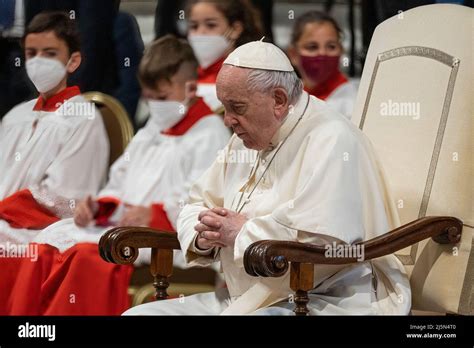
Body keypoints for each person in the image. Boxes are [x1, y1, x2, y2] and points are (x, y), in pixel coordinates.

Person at [124, 40, 411, 315]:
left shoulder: (331, 139)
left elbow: (324, 245)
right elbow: (195, 203)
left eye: (237, 107)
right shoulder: (244, 140)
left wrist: (241, 233)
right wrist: (205, 236)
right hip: (252, 296)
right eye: (225, 107)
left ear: (278, 99)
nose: (227, 120)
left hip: (322, 299)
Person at [8, 35, 231, 315]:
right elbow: (118, 183)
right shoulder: (151, 130)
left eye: (162, 97)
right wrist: (100, 207)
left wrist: (153, 216)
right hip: (125, 232)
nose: (154, 106)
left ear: (190, 88)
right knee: (42, 247)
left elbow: (208, 210)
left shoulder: (210, 135)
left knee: (86, 257)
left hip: (168, 245)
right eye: (148, 97)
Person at [0, 11, 109, 314]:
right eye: (31, 53)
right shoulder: (16, 116)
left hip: (42, 229)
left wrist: (5, 211)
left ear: (73, 61)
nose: (38, 61)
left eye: (50, 54)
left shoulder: (82, 117)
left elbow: (66, 195)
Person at [186, 0, 263, 112]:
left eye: (211, 25)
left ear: (235, 29)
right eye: (194, 26)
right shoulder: (183, 75)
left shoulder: (253, 77)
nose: (200, 33)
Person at [288, 11, 359, 119]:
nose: (322, 53)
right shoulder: (287, 97)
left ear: (341, 51)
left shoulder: (355, 100)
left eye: (331, 46)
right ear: (293, 54)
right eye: (312, 47)